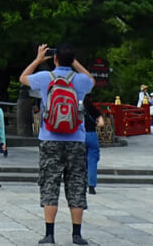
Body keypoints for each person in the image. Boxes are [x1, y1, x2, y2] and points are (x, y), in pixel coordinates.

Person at [20, 43, 95, 245]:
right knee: (76, 184)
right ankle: (77, 235)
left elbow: (23, 78)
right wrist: (75, 64)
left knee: (50, 183)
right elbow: (92, 80)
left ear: (54, 59)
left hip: (49, 138)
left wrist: (37, 60)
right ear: (72, 60)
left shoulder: (45, 78)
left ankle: (49, 234)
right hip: (76, 139)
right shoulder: (80, 80)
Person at [83, 93, 105, 195]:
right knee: (92, 162)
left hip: (80, 136)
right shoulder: (93, 109)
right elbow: (101, 123)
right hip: (91, 135)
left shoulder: (77, 109)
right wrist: (95, 123)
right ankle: (91, 186)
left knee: (80, 161)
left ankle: (82, 183)